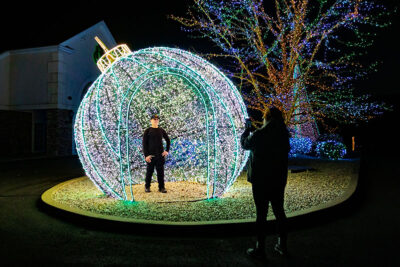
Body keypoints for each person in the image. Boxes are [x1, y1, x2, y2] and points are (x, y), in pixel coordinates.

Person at [241, 107, 290, 260]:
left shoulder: (259, 134)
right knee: (279, 212)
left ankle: (260, 248)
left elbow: (244, 144)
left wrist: (246, 130)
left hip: (261, 180)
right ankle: (282, 245)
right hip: (278, 179)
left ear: (267, 117)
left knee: (261, 215)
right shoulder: (283, 135)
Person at [142, 114, 170, 193]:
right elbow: (144, 144)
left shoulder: (161, 130)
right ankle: (147, 187)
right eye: (154, 119)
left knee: (160, 173)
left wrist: (166, 150)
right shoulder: (147, 131)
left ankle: (161, 187)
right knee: (149, 172)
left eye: (157, 119)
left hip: (160, 156)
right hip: (151, 156)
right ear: (151, 120)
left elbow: (168, 140)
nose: (156, 120)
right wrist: (146, 155)